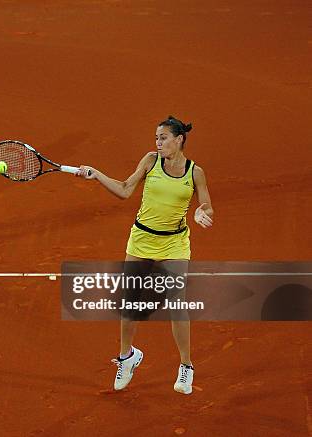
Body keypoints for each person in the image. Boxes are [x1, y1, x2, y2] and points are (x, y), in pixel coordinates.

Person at [77, 116, 214, 394]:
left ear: (179, 140)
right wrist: (98, 174)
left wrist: (202, 212)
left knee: (177, 304)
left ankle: (186, 366)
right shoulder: (150, 161)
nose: (158, 143)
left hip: (174, 244)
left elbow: (207, 205)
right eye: (156, 138)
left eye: (163, 138)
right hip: (142, 240)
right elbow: (126, 190)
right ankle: (127, 357)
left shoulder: (194, 172)